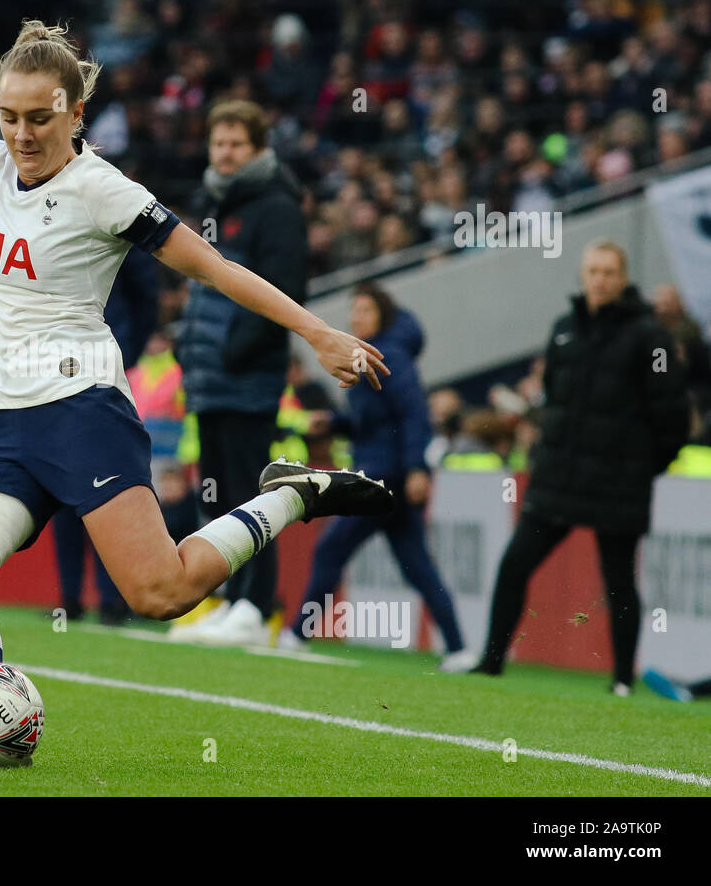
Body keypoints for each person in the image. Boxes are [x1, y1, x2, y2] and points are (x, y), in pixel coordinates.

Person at [0, 0, 393, 768]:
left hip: (81, 411)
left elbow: (213, 266)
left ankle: (292, 496)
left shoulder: (103, 190)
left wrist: (316, 331)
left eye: (40, 117)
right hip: (4, 419)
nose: (22, 134)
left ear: (73, 111)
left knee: (159, 593)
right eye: (9, 116)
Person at [471, 241, 690, 694]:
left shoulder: (650, 337)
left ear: (624, 277)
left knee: (618, 584)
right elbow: (554, 396)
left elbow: (672, 415)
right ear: (582, 275)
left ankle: (622, 681)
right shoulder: (563, 328)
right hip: (558, 478)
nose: (600, 279)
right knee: (514, 565)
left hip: (617, 484)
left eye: (609, 271)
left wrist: (641, 468)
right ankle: (490, 664)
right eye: (592, 270)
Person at [171, 99, 311, 646]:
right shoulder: (211, 199)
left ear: (257, 149)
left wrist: (235, 351)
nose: (224, 154)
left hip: (248, 376)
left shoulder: (277, 207)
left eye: (236, 144)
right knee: (217, 494)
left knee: (251, 492)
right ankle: (229, 599)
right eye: (218, 143)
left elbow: (285, 292)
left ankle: (257, 605)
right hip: (208, 376)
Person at [277, 283, 472, 671]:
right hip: (388, 475)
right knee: (417, 565)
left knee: (332, 549)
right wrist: (333, 423)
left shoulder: (391, 356)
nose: (356, 317)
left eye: (365, 310)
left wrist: (417, 468)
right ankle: (459, 649)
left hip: (383, 479)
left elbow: (414, 417)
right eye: (354, 310)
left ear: (382, 316)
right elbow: (376, 424)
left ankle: (297, 633)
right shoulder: (366, 354)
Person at [52, 244, 159, 626]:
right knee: (66, 489)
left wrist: (124, 353)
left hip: (100, 371)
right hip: (56, 369)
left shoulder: (117, 223)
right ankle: (71, 596)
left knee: (102, 488)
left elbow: (148, 297)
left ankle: (109, 597)